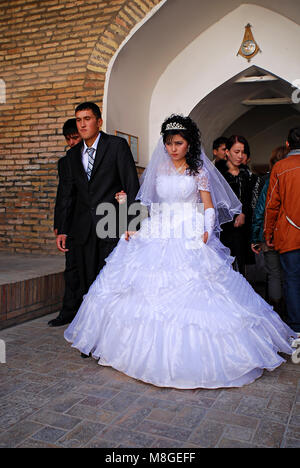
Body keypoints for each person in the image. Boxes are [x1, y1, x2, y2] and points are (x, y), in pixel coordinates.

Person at [64, 114, 295, 390]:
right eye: (169, 143)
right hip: (159, 228)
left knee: (201, 291)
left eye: (178, 143)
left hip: (189, 228)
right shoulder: (158, 170)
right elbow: (148, 204)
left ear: (189, 144)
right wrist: (133, 226)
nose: (173, 148)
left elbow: (208, 206)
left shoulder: (198, 171)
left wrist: (208, 228)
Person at [56, 102, 140, 316]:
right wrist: (63, 228)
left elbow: (131, 184)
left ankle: (112, 330)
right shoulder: (73, 156)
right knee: (87, 283)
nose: (82, 124)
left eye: (87, 119)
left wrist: (133, 225)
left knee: (112, 281)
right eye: (78, 119)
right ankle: (90, 329)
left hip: (112, 223)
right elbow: (68, 193)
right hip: (82, 228)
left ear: (99, 121)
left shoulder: (117, 145)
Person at [264, 128, 300, 333]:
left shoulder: (280, 167)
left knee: (292, 281)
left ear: (287, 145)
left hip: (289, 234)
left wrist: (268, 232)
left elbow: (272, 204)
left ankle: (297, 328)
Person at [49, 119, 82, 327]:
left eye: (74, 137)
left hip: (97, 222)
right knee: (71, 269)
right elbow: (62, 195)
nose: (71, 142)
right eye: (68, 139)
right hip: (72, 223)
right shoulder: (65, 162)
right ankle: (68, 312)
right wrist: (59, 224)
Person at [251, 145, 289, 318]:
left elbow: (260, 210)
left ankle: (276, 313)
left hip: (270, 234)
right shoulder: (293, 176)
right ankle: (292, 313)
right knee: (291, 275)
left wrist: (255, 237)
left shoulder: (269, 180)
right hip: (291, 234)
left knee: (274, 275)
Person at [215, 135, 253, 275]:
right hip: (223, 226)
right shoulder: (218, 174)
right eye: (236, 152)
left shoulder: (247, 174)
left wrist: (243, 213)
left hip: (243, 227)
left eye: (243, 152)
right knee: (224, 266)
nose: (240, 156)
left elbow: (250, 200)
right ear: (227, 152)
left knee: (241, 265)